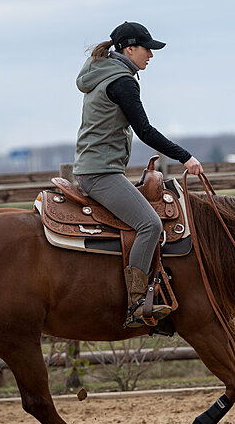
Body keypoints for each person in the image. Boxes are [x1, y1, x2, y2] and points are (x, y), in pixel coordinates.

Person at [73, 21, 203, 327]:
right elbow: (145, 130)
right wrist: (186, 157)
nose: (151, 56)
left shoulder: (99, 74)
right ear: (130, 49)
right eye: (147, 50)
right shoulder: (123, 82)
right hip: (101, 173)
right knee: (150, 224)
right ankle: (135, 304)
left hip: (94, 168)